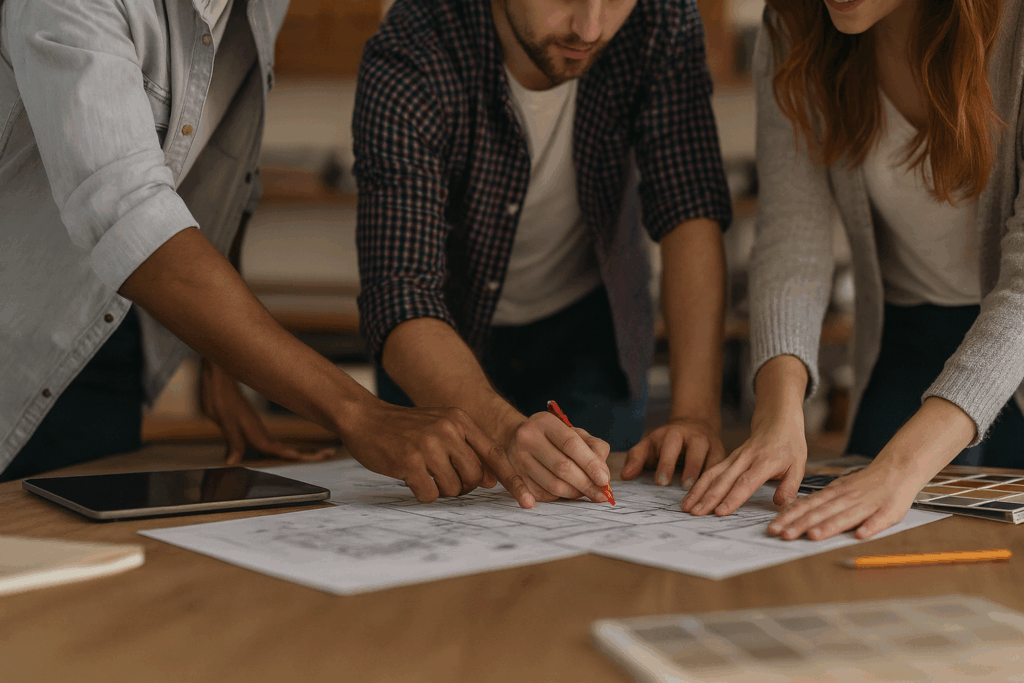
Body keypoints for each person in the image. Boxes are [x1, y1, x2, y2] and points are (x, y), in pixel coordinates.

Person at [0, 0, 533, 508]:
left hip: (110, 342)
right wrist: (359, 413)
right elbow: (130, 217)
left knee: (89, 574)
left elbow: (218, 167)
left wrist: (222, 362)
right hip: (14, 348)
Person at [353, 0, 733, 504]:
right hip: (440, 337)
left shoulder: (661, 17)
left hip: (589, 328)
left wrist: (695, 415)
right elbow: (399, 288)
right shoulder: (415, 44)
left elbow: (689, 210)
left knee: (589, 535)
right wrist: (505, 430)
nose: (590, 29)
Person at [681, 0, 1024, 539]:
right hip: (902, 343)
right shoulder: (794, 20)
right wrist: (778, 413)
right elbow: (793, 235)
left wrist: (902, 467)